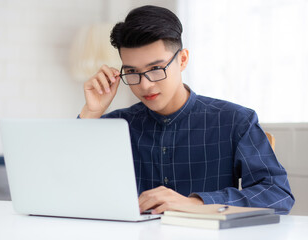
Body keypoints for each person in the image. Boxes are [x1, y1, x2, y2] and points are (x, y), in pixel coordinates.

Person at [78, 5, 294, 214]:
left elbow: (278, 194)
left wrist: (197, 203)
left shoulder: (235, 120)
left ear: (182, 60)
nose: (145, 85)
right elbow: (65, 182)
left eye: (155, 69)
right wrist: (91, 112)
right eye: (132, 72)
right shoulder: (113, 126)